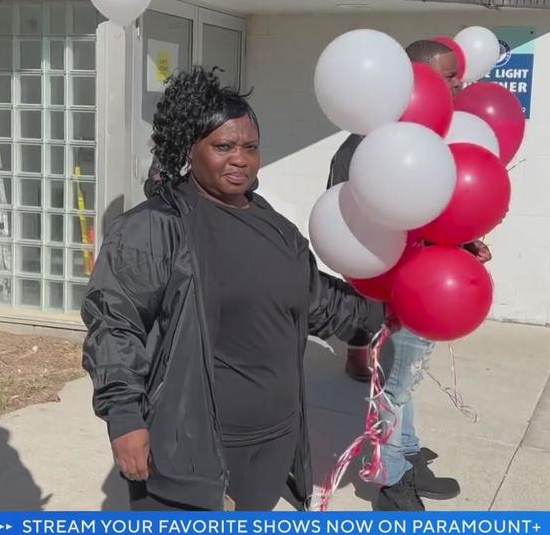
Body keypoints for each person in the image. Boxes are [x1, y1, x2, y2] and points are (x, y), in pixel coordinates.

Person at [82, 68, 385, 511]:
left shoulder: (275, 227)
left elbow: (313, 301)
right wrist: (125, 418)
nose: (240, 159)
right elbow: (114, 326)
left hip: (274, 441)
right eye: (223, 147)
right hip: (191, 448)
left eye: (250, 147)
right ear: (190, 149)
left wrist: (389, 308)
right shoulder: (152, 229)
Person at [327, 39, 489, 510]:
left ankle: (409, 455)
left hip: (433, 283)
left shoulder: (433, 135)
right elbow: (357, 224)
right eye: (448, 78)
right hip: (396, 288)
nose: (460, 85)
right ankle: (390, 483)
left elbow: (436, 209)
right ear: (416, 78)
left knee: (407, 380)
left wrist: (463, 242)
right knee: (393, 387)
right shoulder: (365, 145)